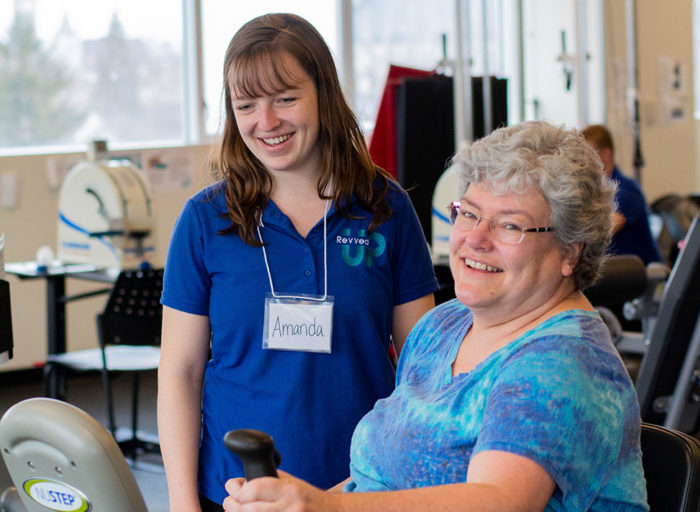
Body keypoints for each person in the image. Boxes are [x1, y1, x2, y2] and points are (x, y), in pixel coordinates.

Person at [222, 121, 649, 512]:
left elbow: (499, 501)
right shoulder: (442, 326)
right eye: (469, 213)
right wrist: (292, 503)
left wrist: (323, 508)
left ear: (570, 251)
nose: (474, 239)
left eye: (509, 225)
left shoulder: (563, 362)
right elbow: (379, 478)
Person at [158, 13, 438, 512]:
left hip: (361, 489)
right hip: (235, 493)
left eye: (285, 98)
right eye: (247, 105)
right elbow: (180, 371)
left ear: (324, 94)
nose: (266, 122)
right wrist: (182, 502)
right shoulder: (205, 220)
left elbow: (424, 371)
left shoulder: (386, 209)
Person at [581, 124, 661, 265]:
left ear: (606, 154)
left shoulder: (627, 191)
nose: (582, 161)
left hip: (641, 275)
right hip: (618, 272)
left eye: (588, 154)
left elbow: (603, 231)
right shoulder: (594, 191)